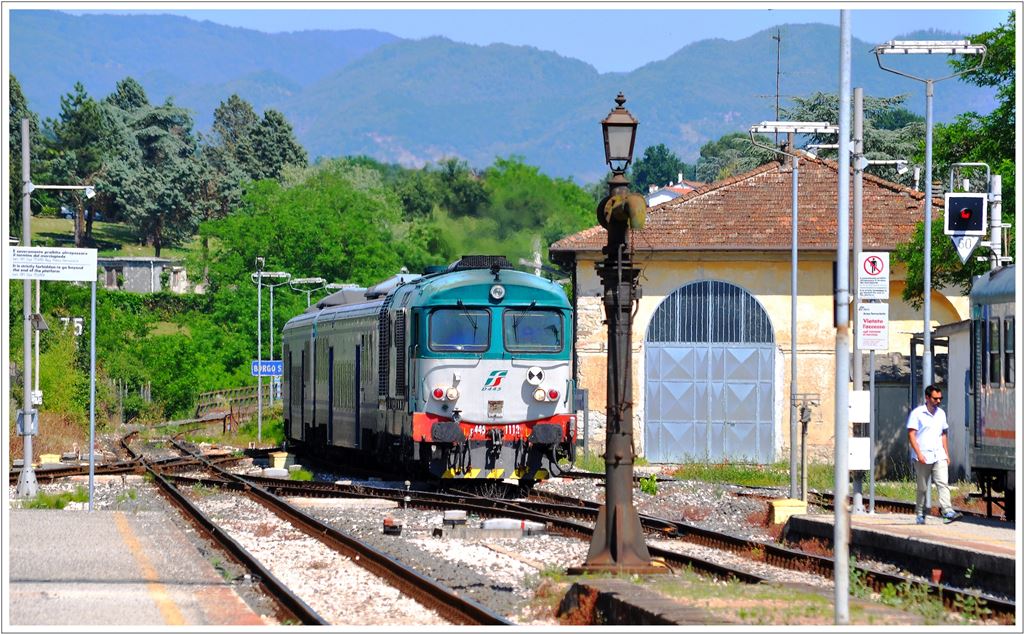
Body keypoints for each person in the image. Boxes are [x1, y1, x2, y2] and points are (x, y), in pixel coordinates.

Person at [906, 385, 963, 525]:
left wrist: (946, 454)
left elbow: (943, 434)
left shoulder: (941, 414)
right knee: (922, 487)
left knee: (943, 483)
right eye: (935, 398)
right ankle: (919, 513)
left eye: (940, 398)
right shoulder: (917, 413)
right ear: (927, 397)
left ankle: (947, 511)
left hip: (939, 454)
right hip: (923, 456)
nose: (938, 401)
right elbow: (911, 434)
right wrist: (918, 453)